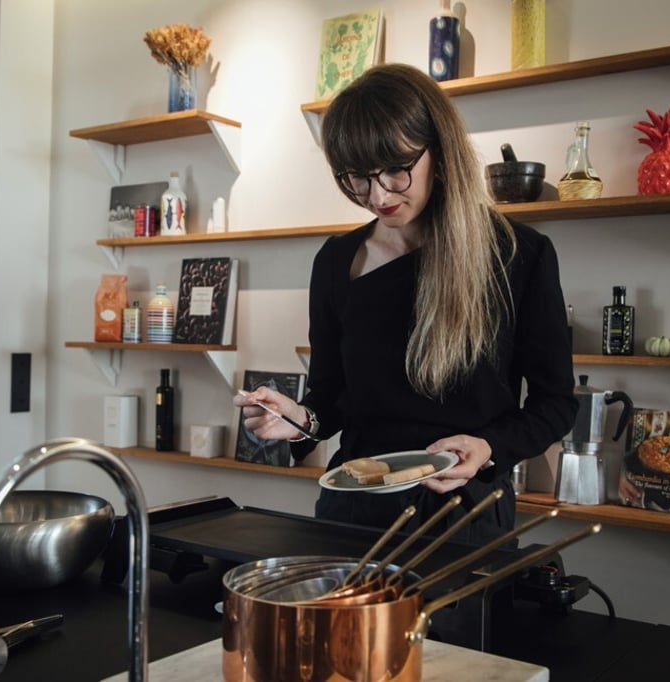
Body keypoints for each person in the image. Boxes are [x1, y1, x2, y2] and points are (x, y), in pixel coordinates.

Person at [234, 63, 577, 546]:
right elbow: (330, 400)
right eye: (354, 177)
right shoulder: (337, 261)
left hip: (465, 515)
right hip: (353, 511)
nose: (376, 195)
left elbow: (556, 404)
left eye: (396, 169)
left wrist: (488, 447)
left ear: (439, 149)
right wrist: (296, 421)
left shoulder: (518, 255)